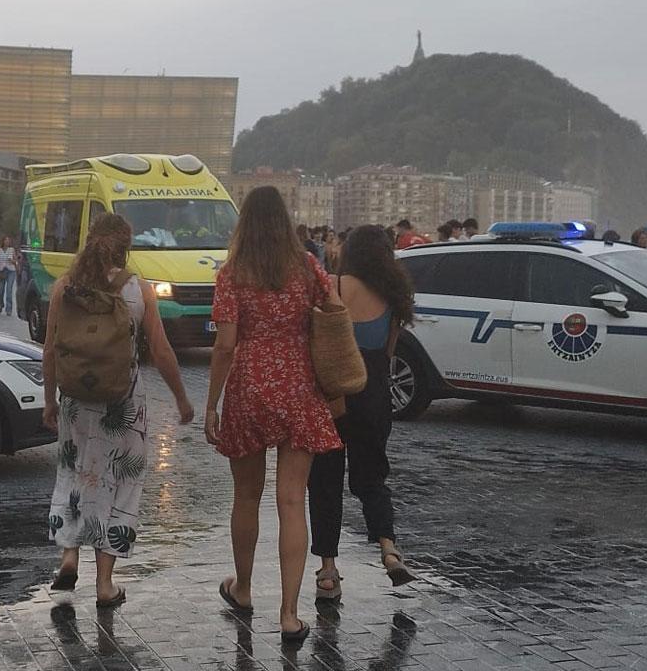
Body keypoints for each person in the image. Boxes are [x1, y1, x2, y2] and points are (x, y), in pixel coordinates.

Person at [206, 186, 343, 644]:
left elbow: (225, 344)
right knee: (292, 501)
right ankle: (289, 614)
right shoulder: (307, 267)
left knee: (246, 496)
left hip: (249, 386)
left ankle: (243, 589)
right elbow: (336, 309)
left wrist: (211, 404)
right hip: (298, 385)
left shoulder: (232, 273)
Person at [42, 213, 194, 609]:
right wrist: (181, 398)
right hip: (123, 403)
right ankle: (105, 584)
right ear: (126, 247)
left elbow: (50, 350)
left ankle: (69, 555)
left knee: (74, 473)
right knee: (118, 483)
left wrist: (48, 400)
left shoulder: (66, 287)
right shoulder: (137, 290)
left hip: (76, 400)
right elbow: (161, 351)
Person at [308, 225, 417, 599]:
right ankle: (389, 549)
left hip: (333, 396)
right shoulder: (394, 297)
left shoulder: (332, 286)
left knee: (324, 482)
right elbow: (387, 356)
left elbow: (317, 339)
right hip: (373, 395)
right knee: (371, 476)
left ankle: (328, 572)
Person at [0, 235, 19, 315]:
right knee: (0, 291)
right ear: (3, 241)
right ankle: (0, 304)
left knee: (9, 290)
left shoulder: (11, 250)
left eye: (8, 240)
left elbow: (16, 261)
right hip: (1, 271)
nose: (7, 242)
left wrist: (13, 261)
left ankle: (9, 309)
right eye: (6, 240)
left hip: (10, 271)